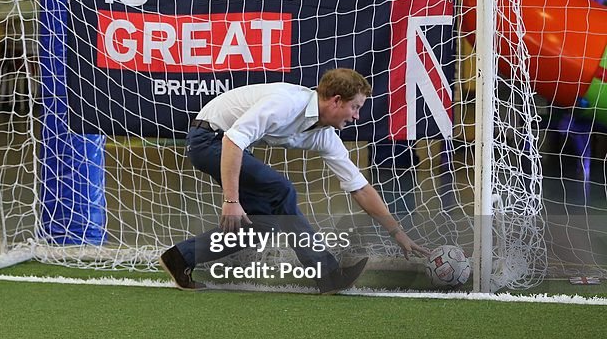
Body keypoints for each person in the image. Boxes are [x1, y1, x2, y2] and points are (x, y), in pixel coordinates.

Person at [159, 68, 430, 293]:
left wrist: (398, 233)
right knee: (281, 190)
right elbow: (232, 140)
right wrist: (231, 200)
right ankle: (327, 273)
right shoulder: (286, 103)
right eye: (355, 107)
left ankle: (182, 256)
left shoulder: (324, 135)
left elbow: (359, 188)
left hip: (229, 145)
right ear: (336, 101)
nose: (357, 116)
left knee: (263, 225)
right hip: (210, 140)